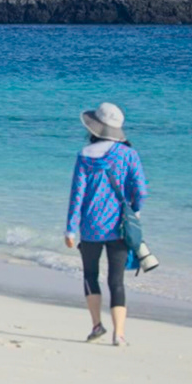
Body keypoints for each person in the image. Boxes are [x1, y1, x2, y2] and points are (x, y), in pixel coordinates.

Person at [64, 101, 148, 345]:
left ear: (94, 128)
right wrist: (136, 210)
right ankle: (119, 334)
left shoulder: (83, 155)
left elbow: (77, 195)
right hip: (120, 227)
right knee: (116, 281)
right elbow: (141, 191)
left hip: (90, 228)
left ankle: (96, 326)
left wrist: (70, 228)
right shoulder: (129, 154)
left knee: (91, 276)